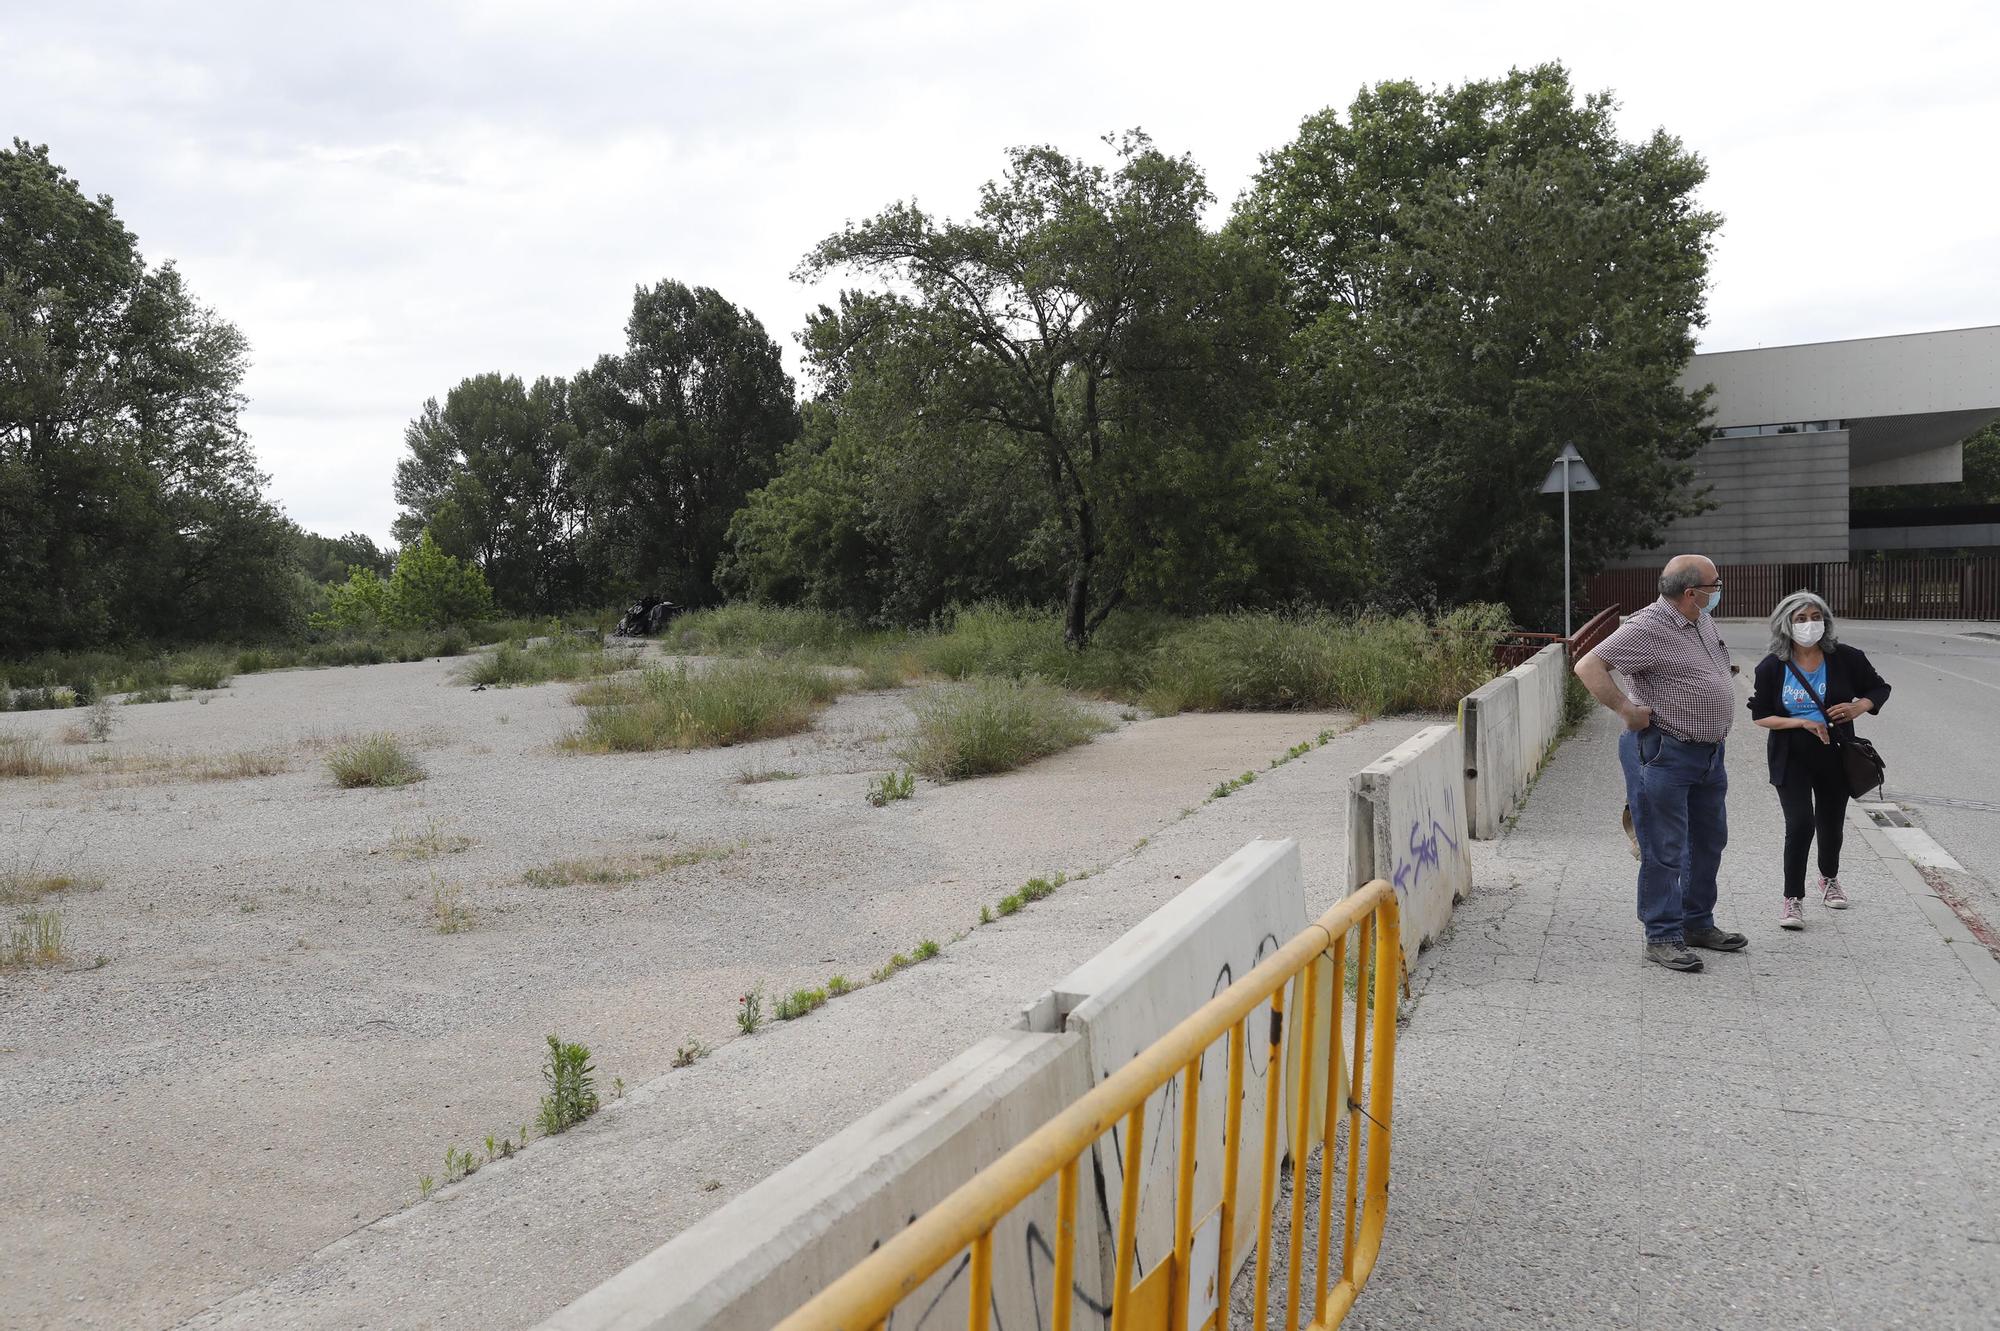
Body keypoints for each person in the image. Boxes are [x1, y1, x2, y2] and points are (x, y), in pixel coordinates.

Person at [1574, 554, 1748, 973]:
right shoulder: (1647, 626)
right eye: (1715, 583)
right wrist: (1625, 709)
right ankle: (1662, 935)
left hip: (1708, 753)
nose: (1719, 589)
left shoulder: (1700, 618)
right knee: (1664, 848)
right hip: (1665, 752)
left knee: (1708, 842)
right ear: (1691, 592)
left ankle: (1696, 923)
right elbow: (1588, 664)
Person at [1747, 591, 1890, 930]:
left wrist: (1859, 706)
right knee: (1800, 824)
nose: (1810, 624)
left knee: (1831, 823)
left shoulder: (1846, 657)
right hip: (1790, 754)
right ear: (1786, 624)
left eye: (1816, 617)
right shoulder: (1773, 666)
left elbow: (1879, 689)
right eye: (1801, 619)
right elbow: (1760, 716)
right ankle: (1792, 899)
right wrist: (1800, 721)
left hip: (1836, 753)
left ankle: (1828, 878)